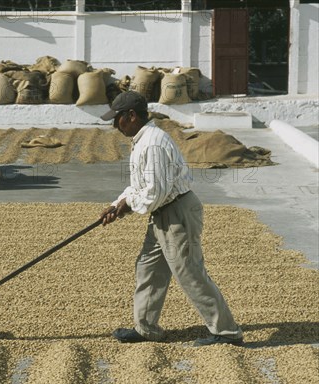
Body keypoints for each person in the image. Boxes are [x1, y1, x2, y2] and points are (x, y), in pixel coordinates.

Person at [99, 91, 243, 346]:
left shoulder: (153, 143)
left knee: (190, 272)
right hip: (162, 212)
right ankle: (146, 329)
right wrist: (115, 204)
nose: (114, 125)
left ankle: (227, 333)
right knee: (149, 269)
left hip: (177, 212)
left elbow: (154, 192)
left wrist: (127, 204)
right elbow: (141, 186)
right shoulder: (142, 140)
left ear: (131, 116)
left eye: (117, 118)